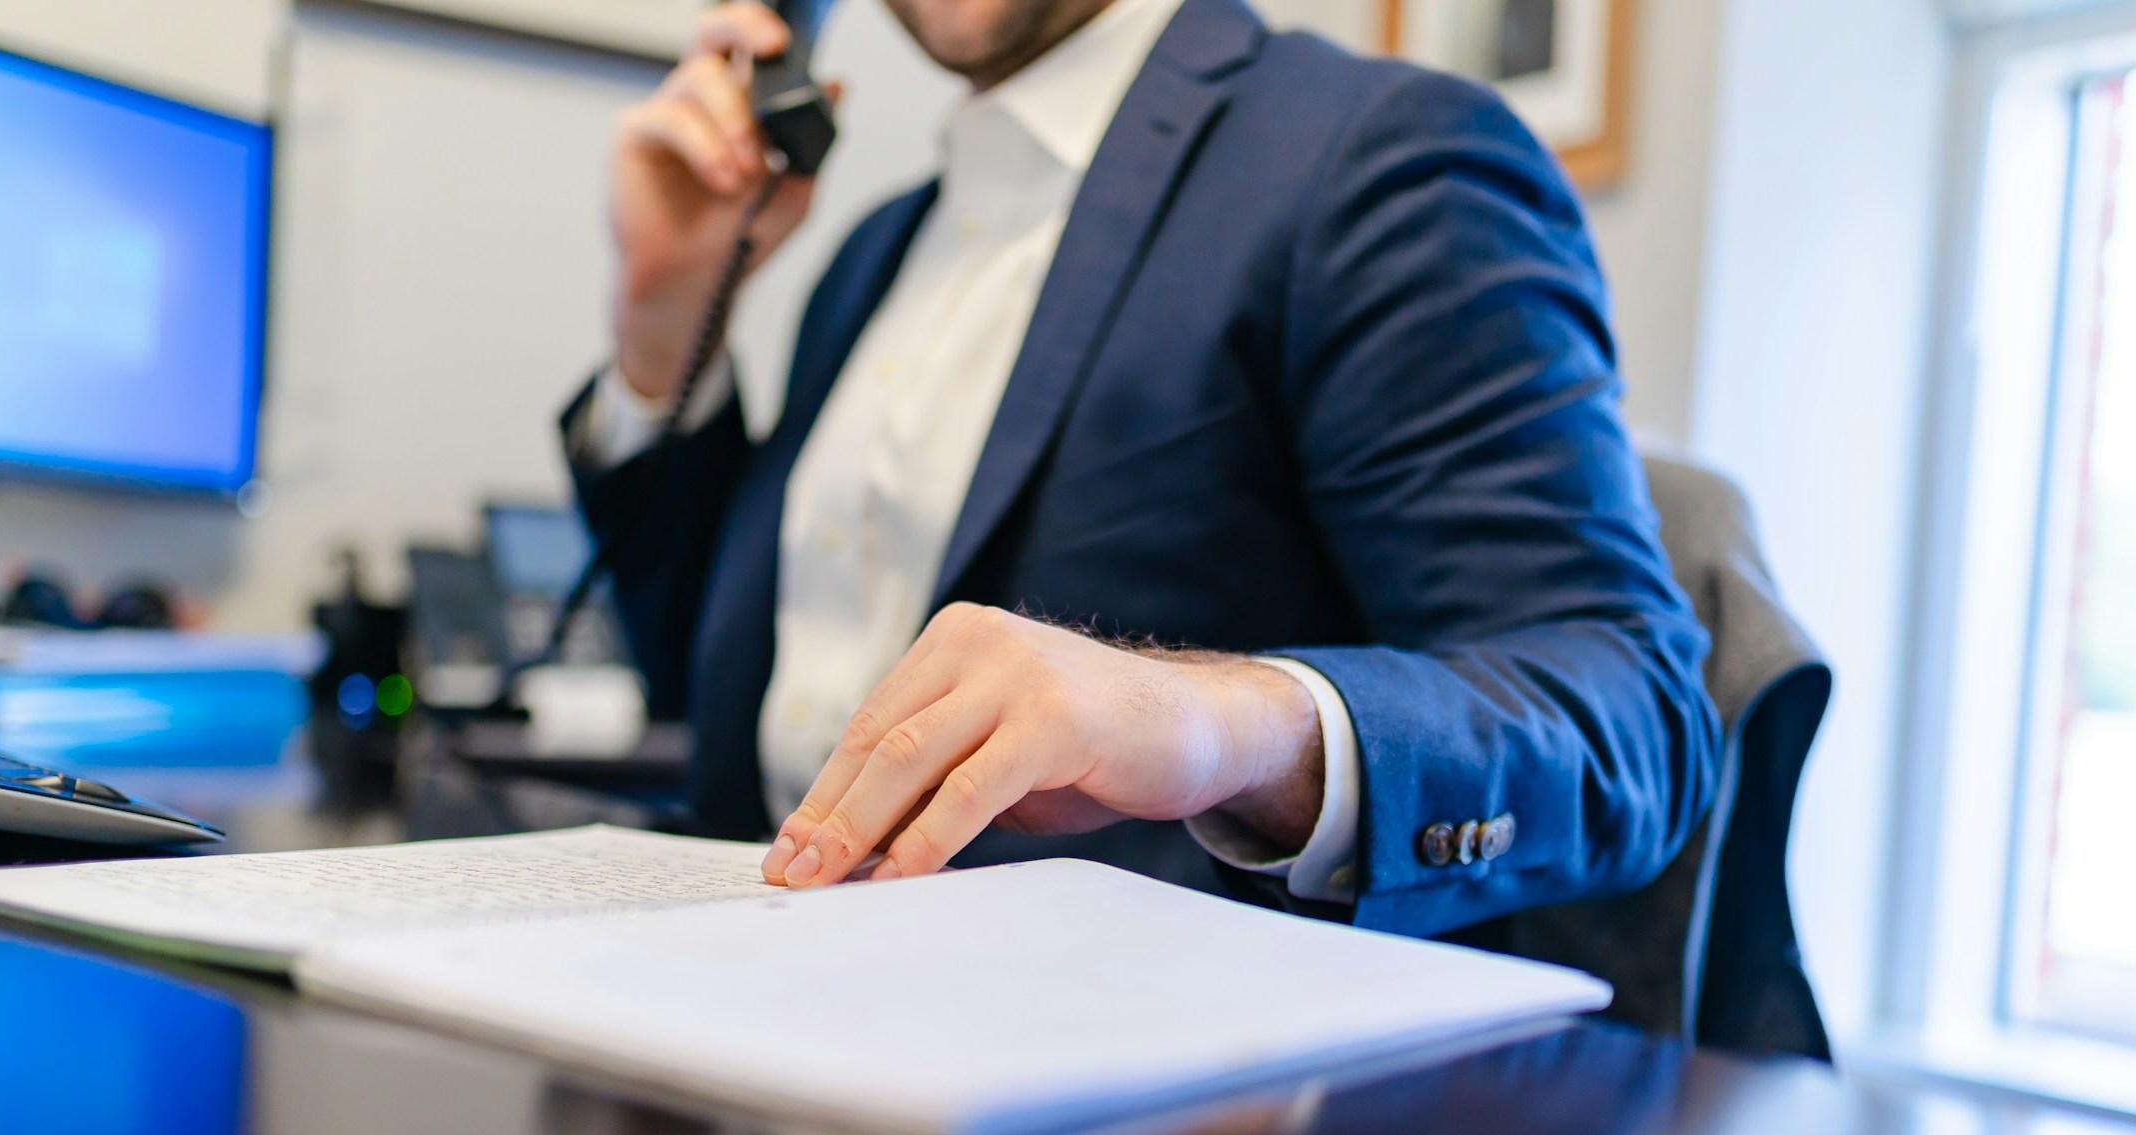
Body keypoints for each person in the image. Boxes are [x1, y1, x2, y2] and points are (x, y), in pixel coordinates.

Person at [562, 0, 1718, 938]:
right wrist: (664, 324)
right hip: (751, 1029)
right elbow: (717, 709)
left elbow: (1634, 721)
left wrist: (1220, 722)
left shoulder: (1380, 159)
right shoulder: (870, 258)